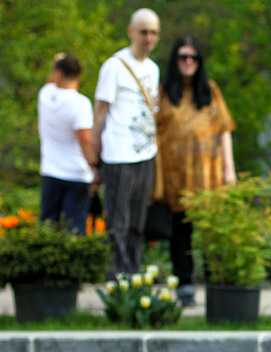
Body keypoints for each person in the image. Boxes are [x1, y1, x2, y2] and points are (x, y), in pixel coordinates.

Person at [156, 36, 236, 305]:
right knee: (181, 232)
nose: (188, 62)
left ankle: (217, 284)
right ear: (174, 60)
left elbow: (224, 130)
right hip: (177, 175)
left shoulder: (210, 90)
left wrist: (229, 170)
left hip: (210, 176)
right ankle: (185, 285)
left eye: (193, 57)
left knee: (212, 232)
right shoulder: (164, 91)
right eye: (183, 57)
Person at [90, 7, 161, 276]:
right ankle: (116, 278)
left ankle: (133, 274)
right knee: (118, 221)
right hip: (119, 156)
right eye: (144, 32)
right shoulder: (114, 66)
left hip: (146, 154)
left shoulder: (153, 69)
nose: (149, 38)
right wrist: (93, 154)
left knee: (137, 222)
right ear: (131, 31)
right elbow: (100, 111)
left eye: (154, 32)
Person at [38, 53, 97, 235]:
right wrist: (95, 169)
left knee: (48, 228)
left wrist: (55, 63)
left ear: (58, 74)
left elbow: (51, 81)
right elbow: (85, 140)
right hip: (77, 174)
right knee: (74, 230)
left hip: (50, 172)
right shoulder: (81, 103)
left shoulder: (46, 94)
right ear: (79, 76)